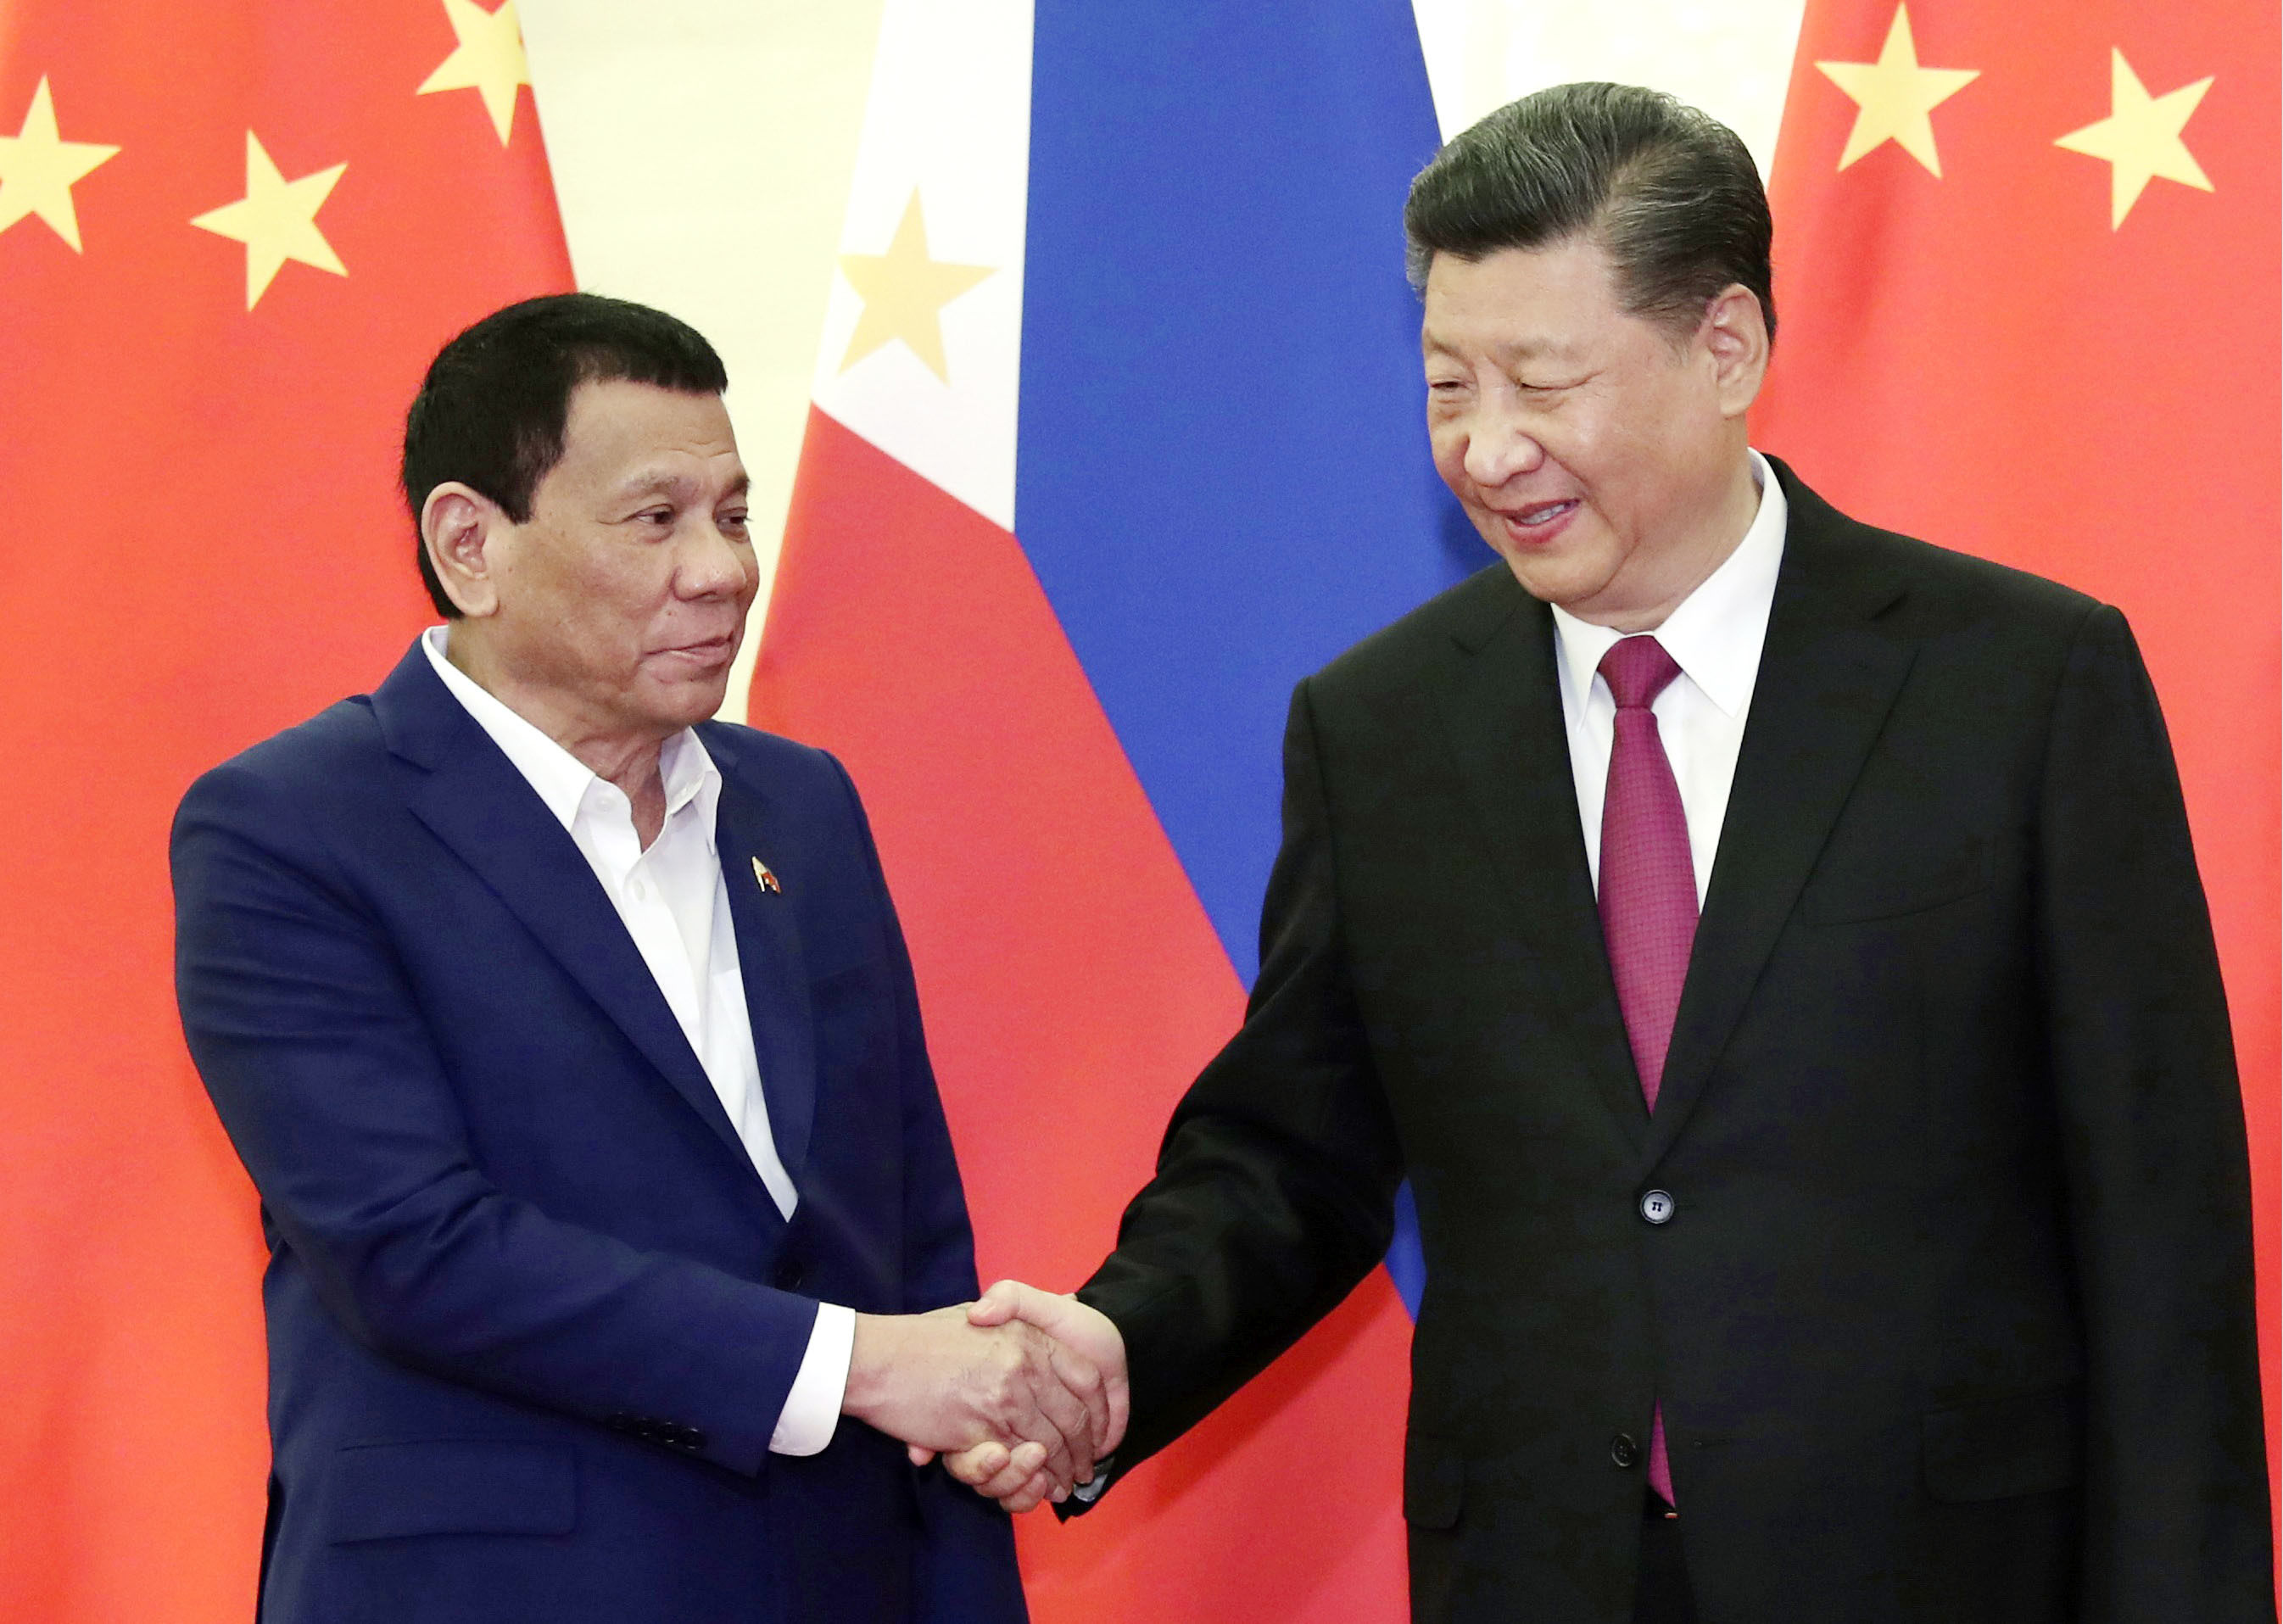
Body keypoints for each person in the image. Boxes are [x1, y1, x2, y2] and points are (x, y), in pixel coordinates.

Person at [950, 84, 2275, 1622]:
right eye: (1449, 385)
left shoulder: (2020, 684)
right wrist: (1121, 1341)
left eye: (1542, 381)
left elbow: (2158, 1219)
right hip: (1540, 1574)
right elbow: (1292, 1153)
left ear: (1726, 347)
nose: (1488, 448)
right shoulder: (1380, 729)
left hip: (1939, 1569)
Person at [171, 293, 1115, 1624]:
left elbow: (905, 1237)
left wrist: (980, 1421)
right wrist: (858, 1367)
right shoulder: (293, 829)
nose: (724, 569)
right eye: (655, 518)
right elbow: (411, 1249)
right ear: (470, 546)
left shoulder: (804, 805)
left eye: (734, 512)